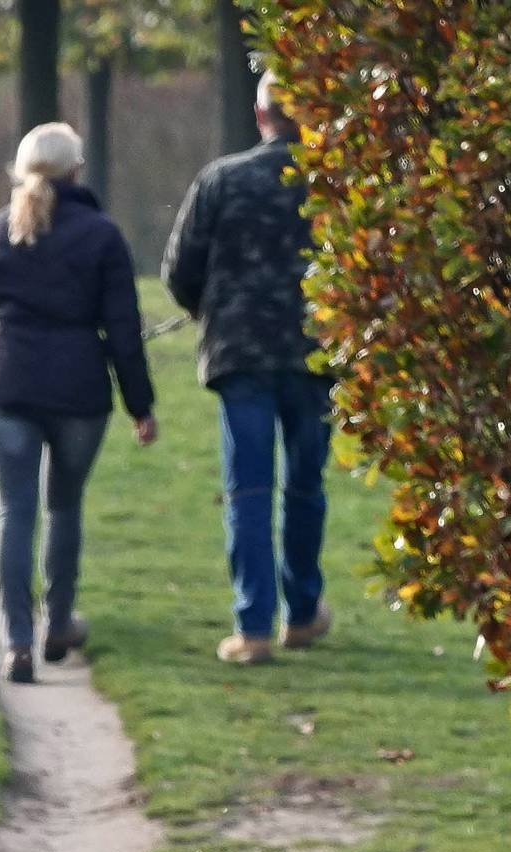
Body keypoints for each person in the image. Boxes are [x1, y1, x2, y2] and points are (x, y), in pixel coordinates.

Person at [0, 122, 158, 686]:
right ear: (77, 170)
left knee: (12, 511)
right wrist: (140, 405)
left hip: (8, 392)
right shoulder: (101, 236)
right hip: (79, 394)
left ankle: (17, 641)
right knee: (63, 506)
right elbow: (123, 329)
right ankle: (59, 623)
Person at [161, 69, 334, 666]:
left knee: (250, 489)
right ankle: (304, 612)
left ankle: (253, 626)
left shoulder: (221, 180)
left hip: (240, 356)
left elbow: (179, 269)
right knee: (306, 486)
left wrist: (207, 309)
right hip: (317, 355)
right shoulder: (334, 184)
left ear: (260, 117)